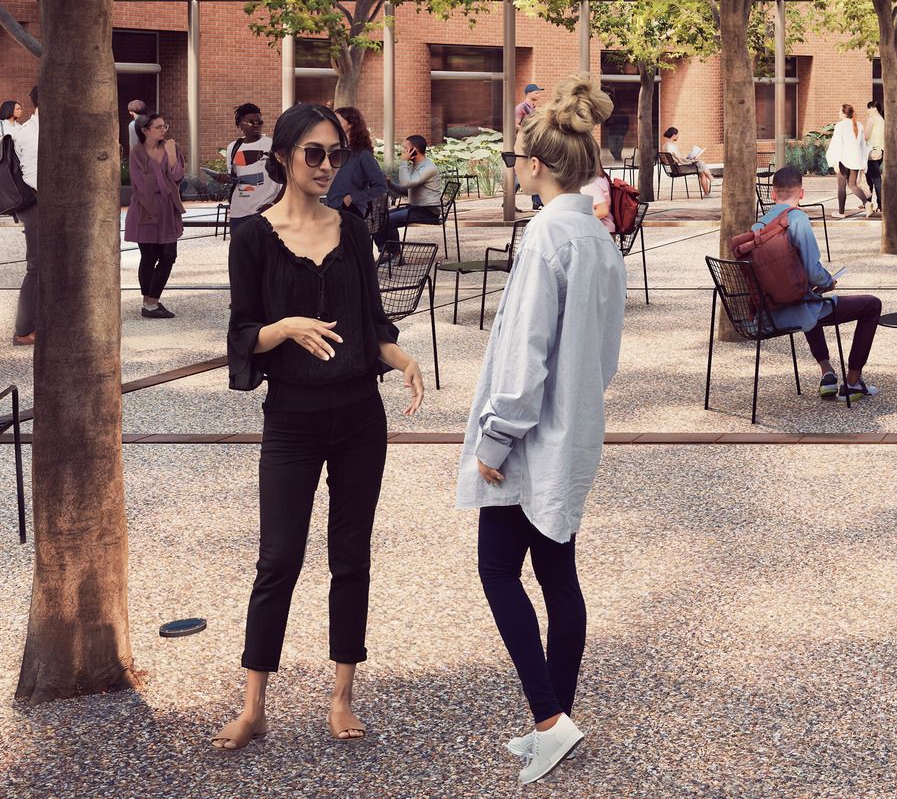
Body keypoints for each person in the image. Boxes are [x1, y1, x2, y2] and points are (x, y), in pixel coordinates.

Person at [215, 104, 427, 753]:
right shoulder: (253, 237)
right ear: (282, 157)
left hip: (360, 416)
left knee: (350, 556)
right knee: (278, 558)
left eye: (335, 153)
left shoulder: (354, 229)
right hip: (292, 420)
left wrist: (402, 358)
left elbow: (372, 323)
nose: (328, 164)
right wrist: (283, 328)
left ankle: (341, 695)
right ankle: (254, 705)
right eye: (314, 153)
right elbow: (241, 333)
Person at [459, 78, 629, 785]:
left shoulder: (547, 236)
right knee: (557, 572)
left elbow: (525, 349)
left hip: (529, 434)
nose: (514, 167)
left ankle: (550, 718)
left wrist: (496, 436)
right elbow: (604, 350)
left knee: (498, 568)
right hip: (573, 425)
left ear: (535, 164)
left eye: (514, 158)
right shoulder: (597, 235)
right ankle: (554, 718)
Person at [735, 165, 881, 398]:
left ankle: (827, 371)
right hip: (795, 311)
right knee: (871, 305)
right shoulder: (798, 220)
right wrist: (828, 280)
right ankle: (853, 382)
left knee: (810, 296)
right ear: (801, 194)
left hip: (769, 313)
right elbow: (814, 273)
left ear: (773, 193)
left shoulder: (759, 225)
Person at [0, 94, 40, 344]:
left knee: (45, 265)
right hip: (37, 203)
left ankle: (36, 324)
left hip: (38, 203)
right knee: (37, 266)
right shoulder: (31, 132)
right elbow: (33, 176)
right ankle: (24, 331)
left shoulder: (28, 129)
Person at [125, 112, 185, 319]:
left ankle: (152, 302)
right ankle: (149, 303)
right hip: (145, 209)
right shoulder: (136, 152)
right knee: (149, 256)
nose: (163, 130)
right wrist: (164, 183)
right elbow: (141, 184)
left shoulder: (173, 148)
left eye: (164, 126)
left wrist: (171, 156)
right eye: (158, 127)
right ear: (145, 130)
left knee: (168, 255)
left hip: (167, 210)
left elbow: (177, 177)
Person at [325, 106, 390, 246]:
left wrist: (351, 198)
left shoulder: (362, 155)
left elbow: (381, 187)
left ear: (351, 124)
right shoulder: (336, 151)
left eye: (338, 121)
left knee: (350, 252)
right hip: (331, 208)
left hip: (351, 212)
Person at [385, 135, 444, 245]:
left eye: (405, 149)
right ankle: (385, 251)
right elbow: (406, 190)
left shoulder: (428, 167)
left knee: (387, 220)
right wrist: (390, 185)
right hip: (415, 208)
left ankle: (395, 253)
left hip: (428, 211)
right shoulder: (416, 166)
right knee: (380, 218)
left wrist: (403, 162)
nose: (403, 152)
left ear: (414, 150)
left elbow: (406, 183)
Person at [226, 103, 278, 222]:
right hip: (238, 212)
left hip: (265, 211)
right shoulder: (232, 147)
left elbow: (286, 180)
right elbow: (233, 177)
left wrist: (273, 204)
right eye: (251, 122)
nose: (256, 125)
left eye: (259, 122)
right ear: (240, 124)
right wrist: (224, 179)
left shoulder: (272, 145)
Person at [826, 104, 868, 218]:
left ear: (844, 113)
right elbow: (863, 145)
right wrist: (864, 162)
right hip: (856, 160)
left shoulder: (840, 125)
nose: (838, 113)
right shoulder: (859, 125)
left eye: (840, 111)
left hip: (843, 160)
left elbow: (837, 144)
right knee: (853, 185)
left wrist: (835, 160)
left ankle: (841, 212)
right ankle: (867, 203)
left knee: (841, 187)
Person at [658, 126, 712, 199]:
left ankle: (711, 182)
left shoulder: (664, 145)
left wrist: (689, 160)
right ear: (674, 135)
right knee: (701, 169)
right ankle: (708, 189)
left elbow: (677, 158)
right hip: (676, 169)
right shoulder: (672, 146)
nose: (678, 136)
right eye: (677, 135)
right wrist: (691, 160)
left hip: (671, 169)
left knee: (700, 166)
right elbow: (680, 159)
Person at [862, 95, 887, 214]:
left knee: (875, 179)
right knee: (871, 177)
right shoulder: (882, 120)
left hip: (872, 151)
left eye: (869, 108)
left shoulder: (872, 120)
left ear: (874, 108)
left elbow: (866, 136)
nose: (867, 111)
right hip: (880, 151)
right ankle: (868, 202)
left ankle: (880, 204)